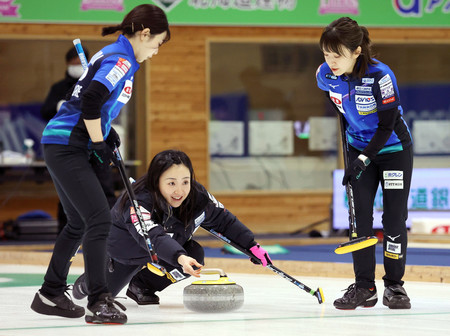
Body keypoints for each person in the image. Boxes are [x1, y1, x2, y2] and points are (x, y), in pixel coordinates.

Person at [30, 4, 170, 325]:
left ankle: (50, 292)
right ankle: (99, 300)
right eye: (157, 43)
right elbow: (91, 100)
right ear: (144, 34)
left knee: (79, 223)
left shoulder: (117, 55)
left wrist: (107, 132)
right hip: (69, 143)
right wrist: (96, 142)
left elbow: (93, 103)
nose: (156, 51)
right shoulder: (121, 59)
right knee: (98, 220)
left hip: (64, 141)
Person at [72, 149, 272, 305]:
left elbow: (223, 219)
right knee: (99, 291)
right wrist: (179, 256)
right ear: (156, 181)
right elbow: (152, 236)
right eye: (171, 183)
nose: (180, 191)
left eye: (185, 182)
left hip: (166, 251)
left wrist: (251, 246)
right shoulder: (138, 200)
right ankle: (88, 280)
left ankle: (141, 286)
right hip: (124, 254)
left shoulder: (197, 196)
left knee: (195, 255)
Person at [316, 17, 413, 310]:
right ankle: (364, 287)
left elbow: (387, 126)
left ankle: (394, 286)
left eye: (338, 55)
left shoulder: (380, 76)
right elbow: (342, 111)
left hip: (393, 149)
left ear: (356, 51)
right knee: (359, 221)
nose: (331, 61)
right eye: (326, 54)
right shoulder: (324, 75)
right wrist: (355, 152)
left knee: (394, 220)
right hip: (359, 150)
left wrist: (362, 158)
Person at [40, 46, 117, 234]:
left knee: (105, 193)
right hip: (71, 145)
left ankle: (113, 240)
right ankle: (72, 236)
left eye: (79, 63)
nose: (76, 66)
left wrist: (106, 132)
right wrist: (61, 106)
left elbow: (101, 109)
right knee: (72, 202)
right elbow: (46, 111)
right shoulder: (59, 88)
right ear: (67, 64)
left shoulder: (97, 81)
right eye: (73, 63)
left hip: (95, 143)